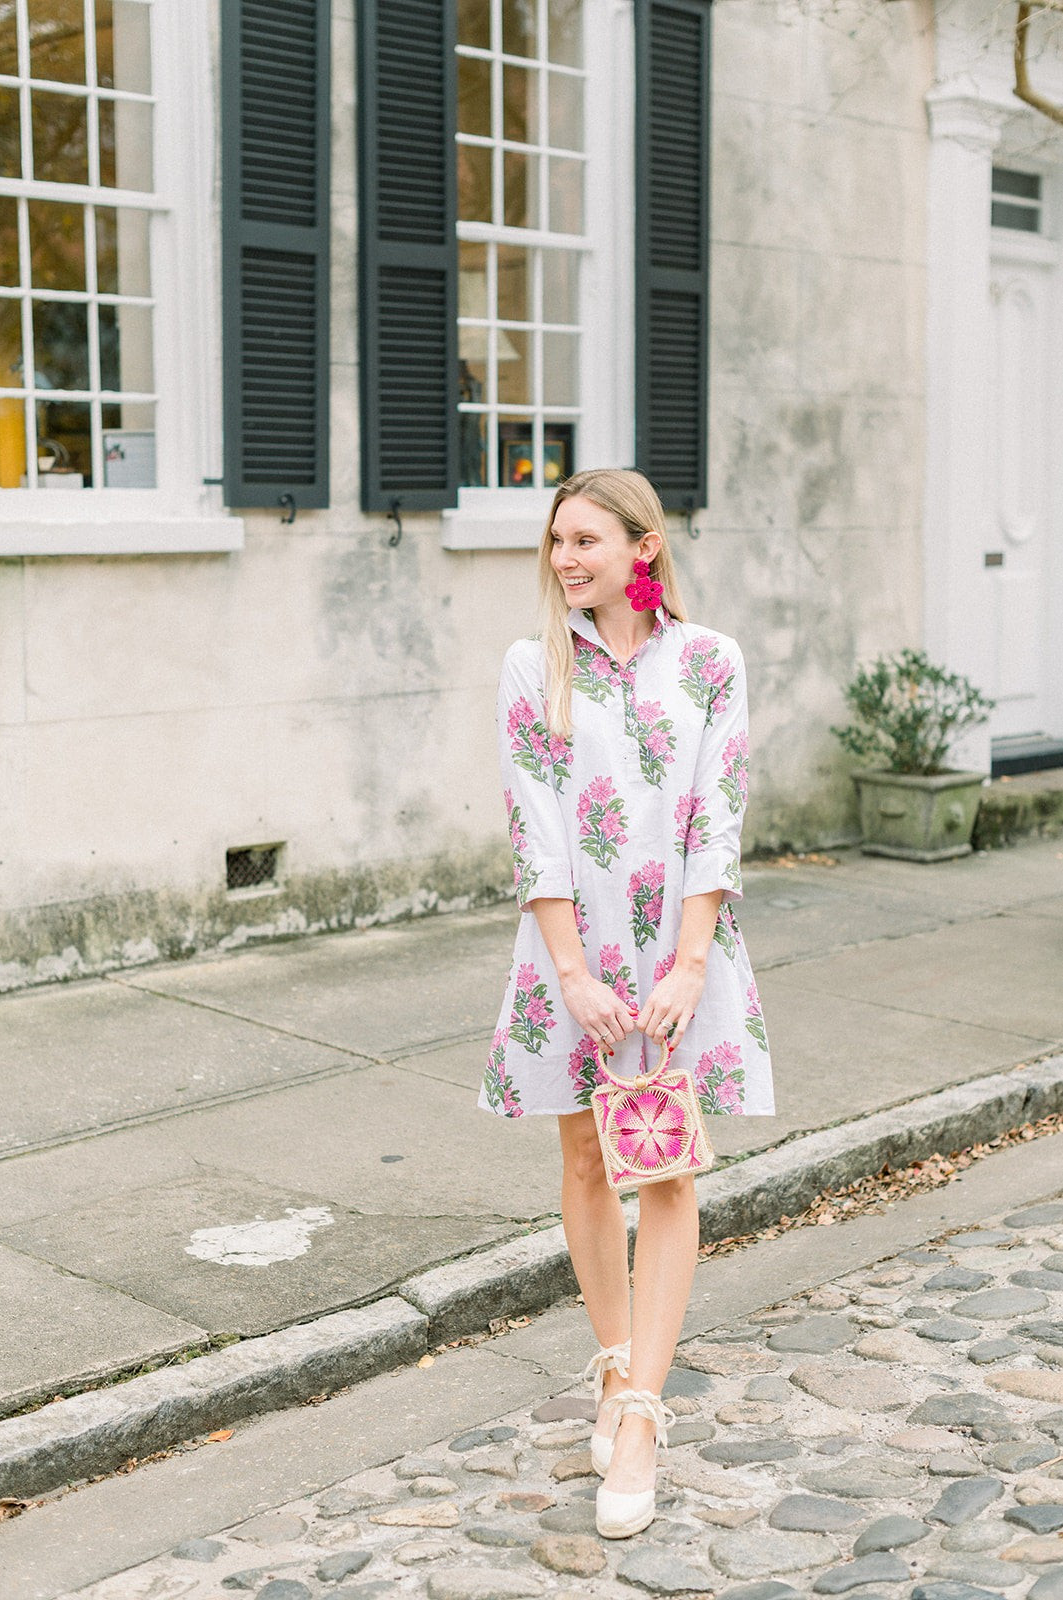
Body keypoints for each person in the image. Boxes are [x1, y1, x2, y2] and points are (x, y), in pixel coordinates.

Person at [477, 467, 775, 1539]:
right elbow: (535, 827)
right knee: (587, 1160)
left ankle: (643, 1412)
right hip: (574, 951)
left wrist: (690, 964)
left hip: (674, 951)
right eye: (556, 542)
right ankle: (611, 1364)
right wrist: (573, 973)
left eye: (585, 541)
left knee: (667, 1166)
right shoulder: (532, 665)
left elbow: (717, 815)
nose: (564, 560)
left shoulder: (710, 664)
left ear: (642, 549)